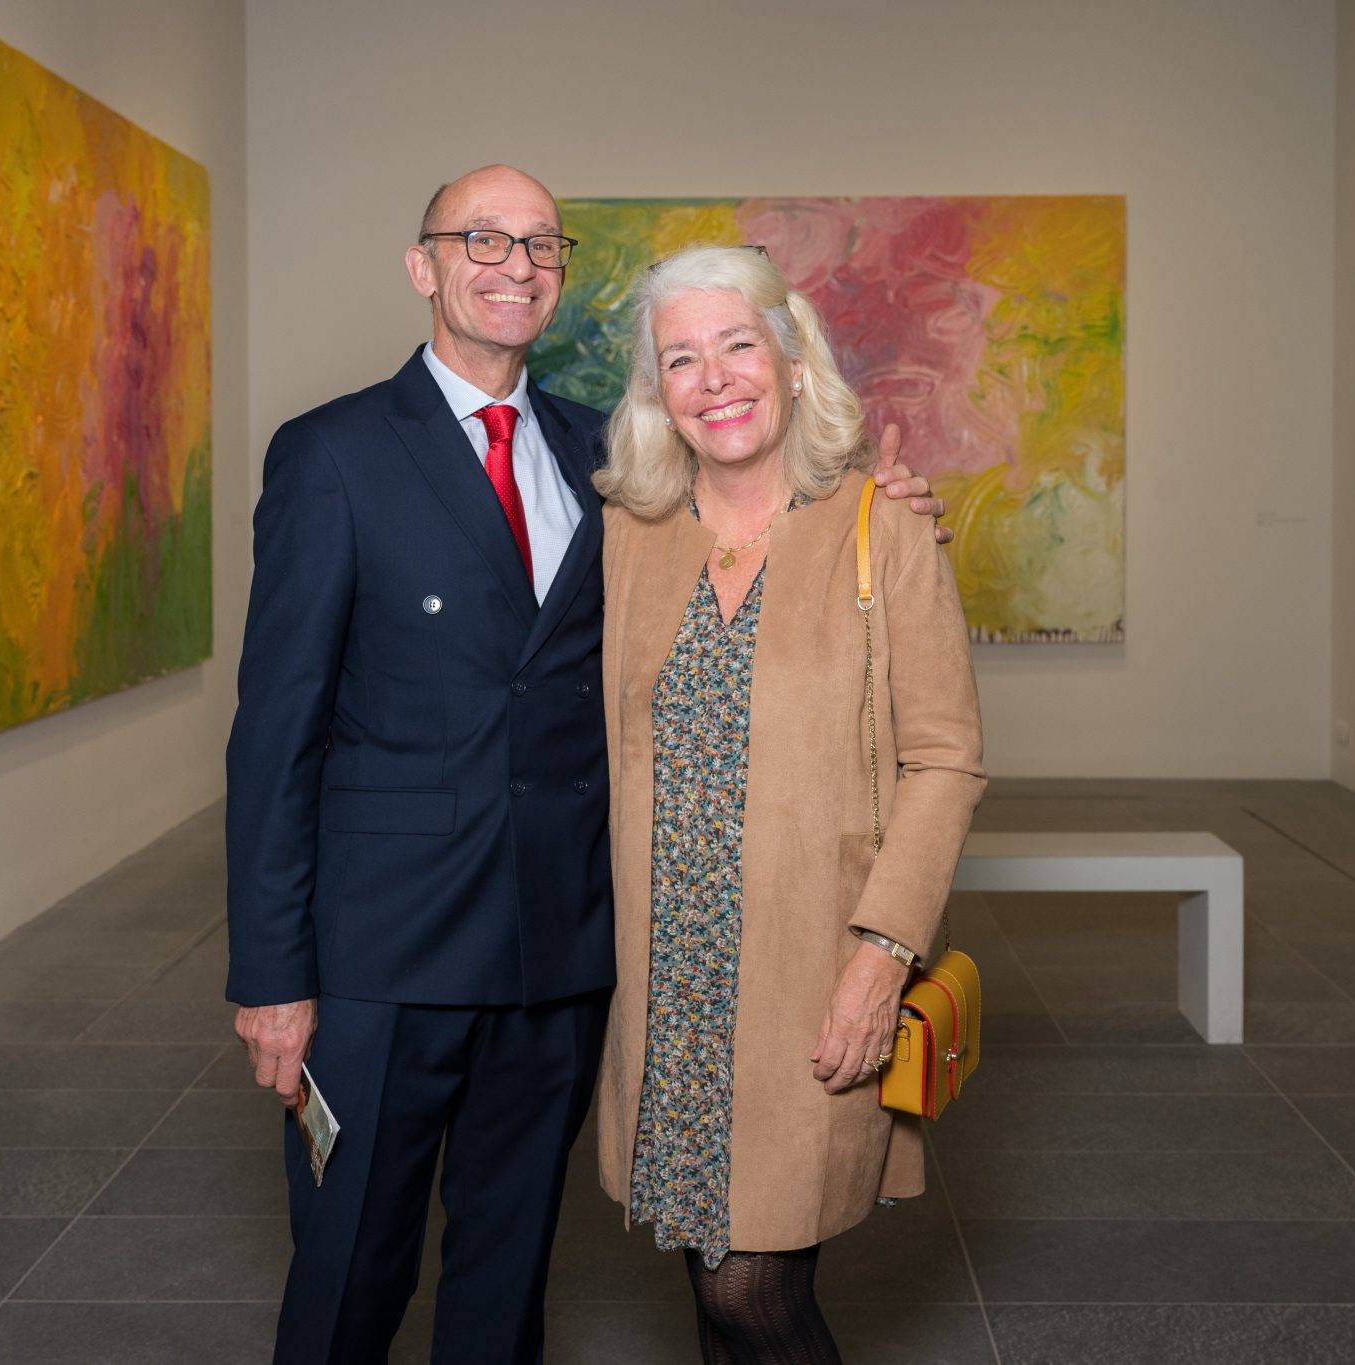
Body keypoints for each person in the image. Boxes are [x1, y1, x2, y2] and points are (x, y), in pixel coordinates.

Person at [225, 166, 948, 1364]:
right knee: (350, 1272)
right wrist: (270, 976)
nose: (513, 263)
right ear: (424, 267)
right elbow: (273, 734)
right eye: (481, 239)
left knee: (507, 1279)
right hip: (378, 963)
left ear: (560, 279)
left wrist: (897, 501)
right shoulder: (332, 454)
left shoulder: (608, 460)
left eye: (540, 245)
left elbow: (761, 516)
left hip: (556, 960)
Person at [592, 244, 988, 1362]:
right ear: (656, 397)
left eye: (735, 345)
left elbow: (945, 758)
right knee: (711, 1286)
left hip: (809, 980)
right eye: (680, 358)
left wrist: (881, 953)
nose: (713, 377)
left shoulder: (881, 524)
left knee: (749, 1294)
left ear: (791, 359)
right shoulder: (628, 535)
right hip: (666, 986)